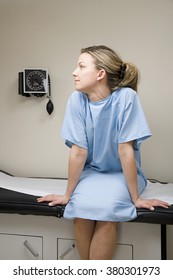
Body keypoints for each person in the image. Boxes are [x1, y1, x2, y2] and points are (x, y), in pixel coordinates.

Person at [37, 45, 170, 260]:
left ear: (100, 74)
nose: (74, 72)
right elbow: (79, 152)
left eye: (81, 66)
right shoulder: (76, 100)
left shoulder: (126, 98)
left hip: (121, 173)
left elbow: (125, 151)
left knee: (108, 209)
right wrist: (67, 195)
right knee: (81, 209)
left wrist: (135, 198)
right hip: (91, 172)